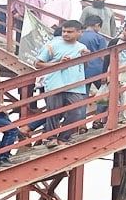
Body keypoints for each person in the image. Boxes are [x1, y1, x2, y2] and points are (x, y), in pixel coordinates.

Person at [35, 20, 90, 149]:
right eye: (64, 31)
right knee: (54, 112)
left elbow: (84, 66)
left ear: (79, 33)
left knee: (76, 112)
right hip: (55, 83)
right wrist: (59, 63)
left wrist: (85, 58)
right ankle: (51, 138)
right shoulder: (53, 45)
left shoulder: (82, 47)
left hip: (76, 84)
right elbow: (38, 64)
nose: (65, 34)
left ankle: (63, 137)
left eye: (69, 32)